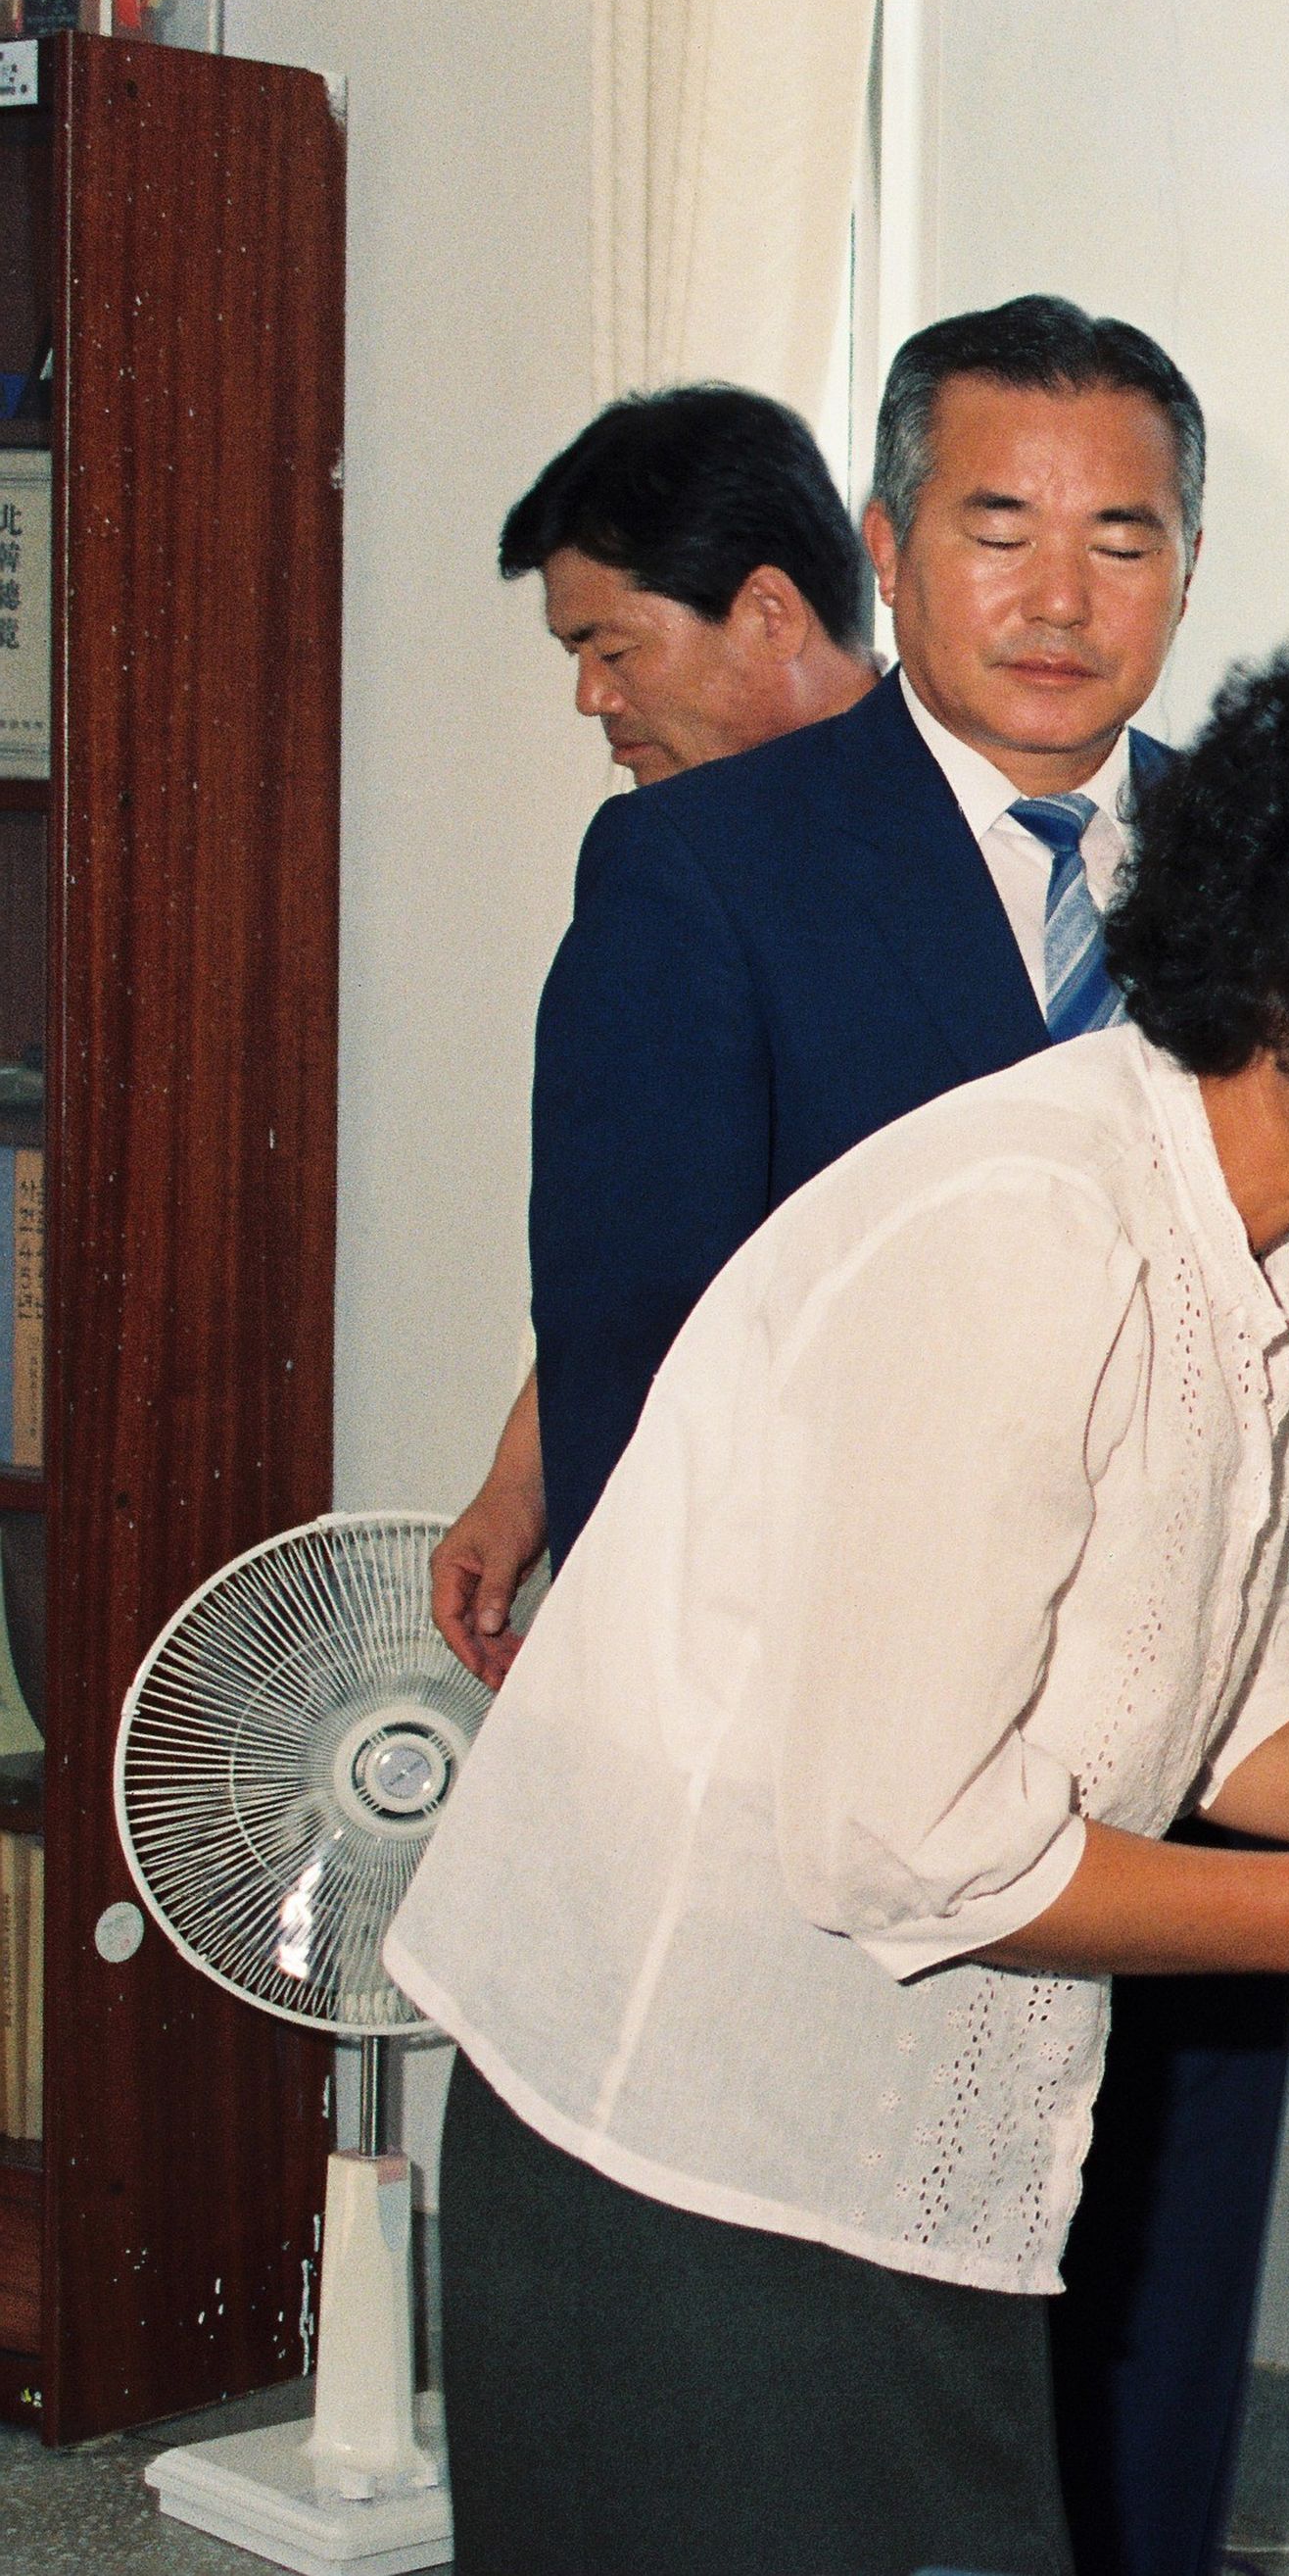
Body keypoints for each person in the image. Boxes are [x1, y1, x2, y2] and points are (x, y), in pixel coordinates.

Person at [390, 615, 1289, 2576]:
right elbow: (905, 1843)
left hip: (923, 2141)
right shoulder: (1022, 1233)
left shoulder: (1288, 1238)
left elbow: (1204, 1690)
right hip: (683, 2142)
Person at [512, 298, 1289, 2576]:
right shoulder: (707, 871)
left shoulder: (1282, 877)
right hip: (849, 1804)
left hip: (1212, 1732)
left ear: (1189, 563)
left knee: (1146, 2353)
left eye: (1119, 538)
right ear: (883, 546)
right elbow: (649, 1387)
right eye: (995, 526)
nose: (1057, 595)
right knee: (851, 2424)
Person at [429, 384, 888, 1675]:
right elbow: (643, 1265)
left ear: (770, 611)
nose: (590, 696)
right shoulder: (693, 849)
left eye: (614, 648)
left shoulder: (995, 830)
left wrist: (614, 1643)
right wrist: (525, 1482)